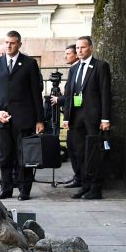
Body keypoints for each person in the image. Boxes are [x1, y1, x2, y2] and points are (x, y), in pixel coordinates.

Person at [0, 30, 44, 201]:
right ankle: (6, 188)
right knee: (4, 156)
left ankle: (24, 189)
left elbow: (36, 93)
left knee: (24, 155)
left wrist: (40, 119)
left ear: (19, 44)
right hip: (3, 119)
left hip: (24, 118)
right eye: (6, 42)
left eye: (12, 43)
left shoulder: (29, 63)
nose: (8, 46)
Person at [58, 36, 112, 200]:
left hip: (94, 118)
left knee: (93, 152)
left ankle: (95, 188)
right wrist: (66, 117)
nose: (80, 51)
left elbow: (105, 93)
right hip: (76, 118)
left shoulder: (100, 66)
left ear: (91, 48)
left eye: (83, 47)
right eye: (78, 48)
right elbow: (69, 95)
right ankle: (84, 185)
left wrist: (105, 118)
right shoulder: (74, 69)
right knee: (79, 152)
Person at [50, 44, 81, 187]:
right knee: (71, 146)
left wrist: (59, 100)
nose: (65, 56)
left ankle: (80, 177)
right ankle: (77, 176)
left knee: (76, 147)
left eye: (68, 53)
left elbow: (74, 95)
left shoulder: (78, 68)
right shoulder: (74, 68)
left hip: (76, 116)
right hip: (70, 114)